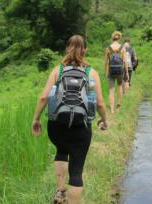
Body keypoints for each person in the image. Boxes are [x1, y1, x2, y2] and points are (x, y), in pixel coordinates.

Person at [31, 35, 108, 204]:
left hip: (57, 125)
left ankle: (60, 192)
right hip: (81, 127)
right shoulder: (91, 73)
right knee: (76, 171)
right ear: (85, 50)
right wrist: (104, 120)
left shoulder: (57, 70)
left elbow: (43, 97)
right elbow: (100, 103)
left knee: (61, 150)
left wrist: (35, 119)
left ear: (67, 48)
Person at [105, 31, 128, 114]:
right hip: (120, 70)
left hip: (111, 70)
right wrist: (127, 73)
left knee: (111, 89)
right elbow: (125, 61)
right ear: (119, 38)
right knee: (120, 86)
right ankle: (118, 105)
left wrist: (106, 72)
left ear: (112, 38)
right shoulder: (122, 48)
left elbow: (106, 62)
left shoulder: (108, 48)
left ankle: (111, 109)